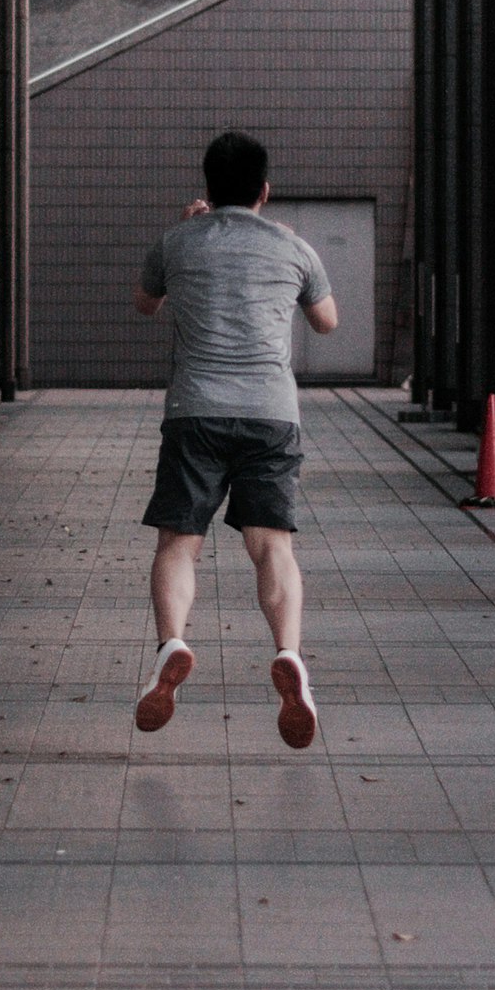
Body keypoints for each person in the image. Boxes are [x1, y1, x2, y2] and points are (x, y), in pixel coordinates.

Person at [131, 128, 338, 749]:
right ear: (264, 192)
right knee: (272, 544)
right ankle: (290, 655)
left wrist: (189, 234)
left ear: (207, 189)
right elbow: (327, 324)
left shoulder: (176, 242)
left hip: (194, 412)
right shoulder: (294, 248)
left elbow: (145, 305)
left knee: (179, 541)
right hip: (272, 415)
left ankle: (173, 643)